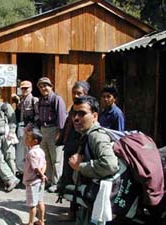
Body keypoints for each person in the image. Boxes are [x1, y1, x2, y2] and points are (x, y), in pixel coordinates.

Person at [68, 95, 119, 225]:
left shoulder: (96, 136)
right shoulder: (86, 134)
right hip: (90, 201)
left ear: (95, 116)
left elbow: (110, 165)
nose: (76, 118)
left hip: (97, 203)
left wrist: (80, 166)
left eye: (82, 113)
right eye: (74, 113)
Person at [57, 81, 90, 221]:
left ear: (86, 94)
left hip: (79, 151)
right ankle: (72, 211)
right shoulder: (73, 109)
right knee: (69, 179)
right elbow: (67, 126)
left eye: (79, 93)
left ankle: (75, 212)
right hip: (69, 148)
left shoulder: (86, 110)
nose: (76, 96)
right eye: (74, 93)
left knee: (78, 181)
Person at [37, 77, 68, 193]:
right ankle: (49, 180)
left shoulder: (56, 99)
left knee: (56, 159)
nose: (43, 88)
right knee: (46, 158)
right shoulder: (41, 100)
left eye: (45, 85)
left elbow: (61, 117)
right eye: (41, 86)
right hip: (44, 130)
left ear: (51, 86)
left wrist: (59, 133)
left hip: (54, 130)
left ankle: (57, 183)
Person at [22, 128, 47, 225]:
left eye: (28, 138)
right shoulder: (41, 151)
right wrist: (43, 176)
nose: (26, 139)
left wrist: (40, 175)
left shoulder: (31, 153)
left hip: (32, 182)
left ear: (35, 141)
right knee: (40, 201)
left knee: (32, 204)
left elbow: (35, 168)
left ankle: (30, 223)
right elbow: (44, 164)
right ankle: (41, 220)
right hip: (40, 181)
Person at [15, 80, 39, 176]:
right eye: (23, 88)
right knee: (21, 151)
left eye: (26, 88)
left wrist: (30, 126)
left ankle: (32, 172)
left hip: (30, 130)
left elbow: (37, 116)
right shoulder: (22, 100)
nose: (24, 90)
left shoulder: (34, 100)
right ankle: (23, 172)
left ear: (31, 88)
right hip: (21, 128)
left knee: (30, 152)